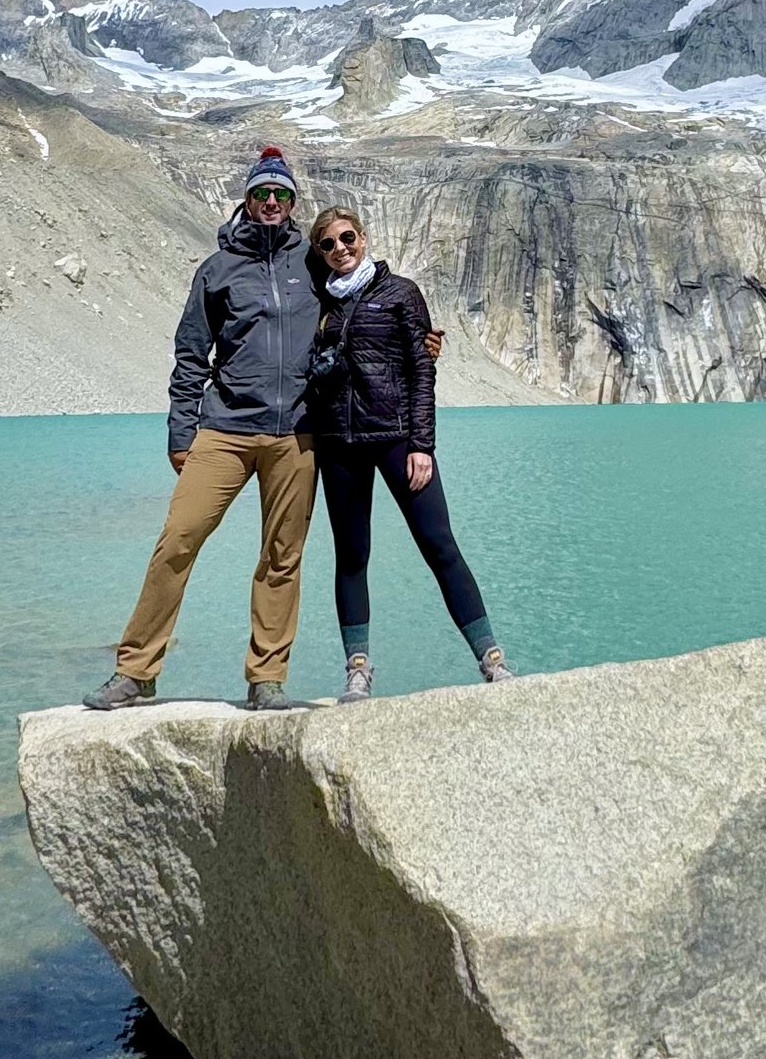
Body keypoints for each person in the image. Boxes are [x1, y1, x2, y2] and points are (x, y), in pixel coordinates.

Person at [85, 148, 319, 714]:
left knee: (281, 557)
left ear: (292, 204)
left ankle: (267, 679)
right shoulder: (216, 270)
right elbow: (191, 354)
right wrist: (180, 430)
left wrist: (418, 342)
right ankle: (136, 670)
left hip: (298, 434)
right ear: (247, 199)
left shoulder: (312, 262)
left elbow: (359, 316)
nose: (270, 202)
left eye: (281, 195)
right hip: (225, 429)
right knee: (178, 540)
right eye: (261, 193)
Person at [303, 205, 513, 699]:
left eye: (347, 237)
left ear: (364, 236)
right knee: (351, 556)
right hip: (340, 444)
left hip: (397, 437)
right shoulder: (317, 304)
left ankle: (491, 658)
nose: (340, 249)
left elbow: (423, 372)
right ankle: (358, 669)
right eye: (327, 244)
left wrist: (422, 444)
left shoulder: (400, 293)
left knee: (439, 543)